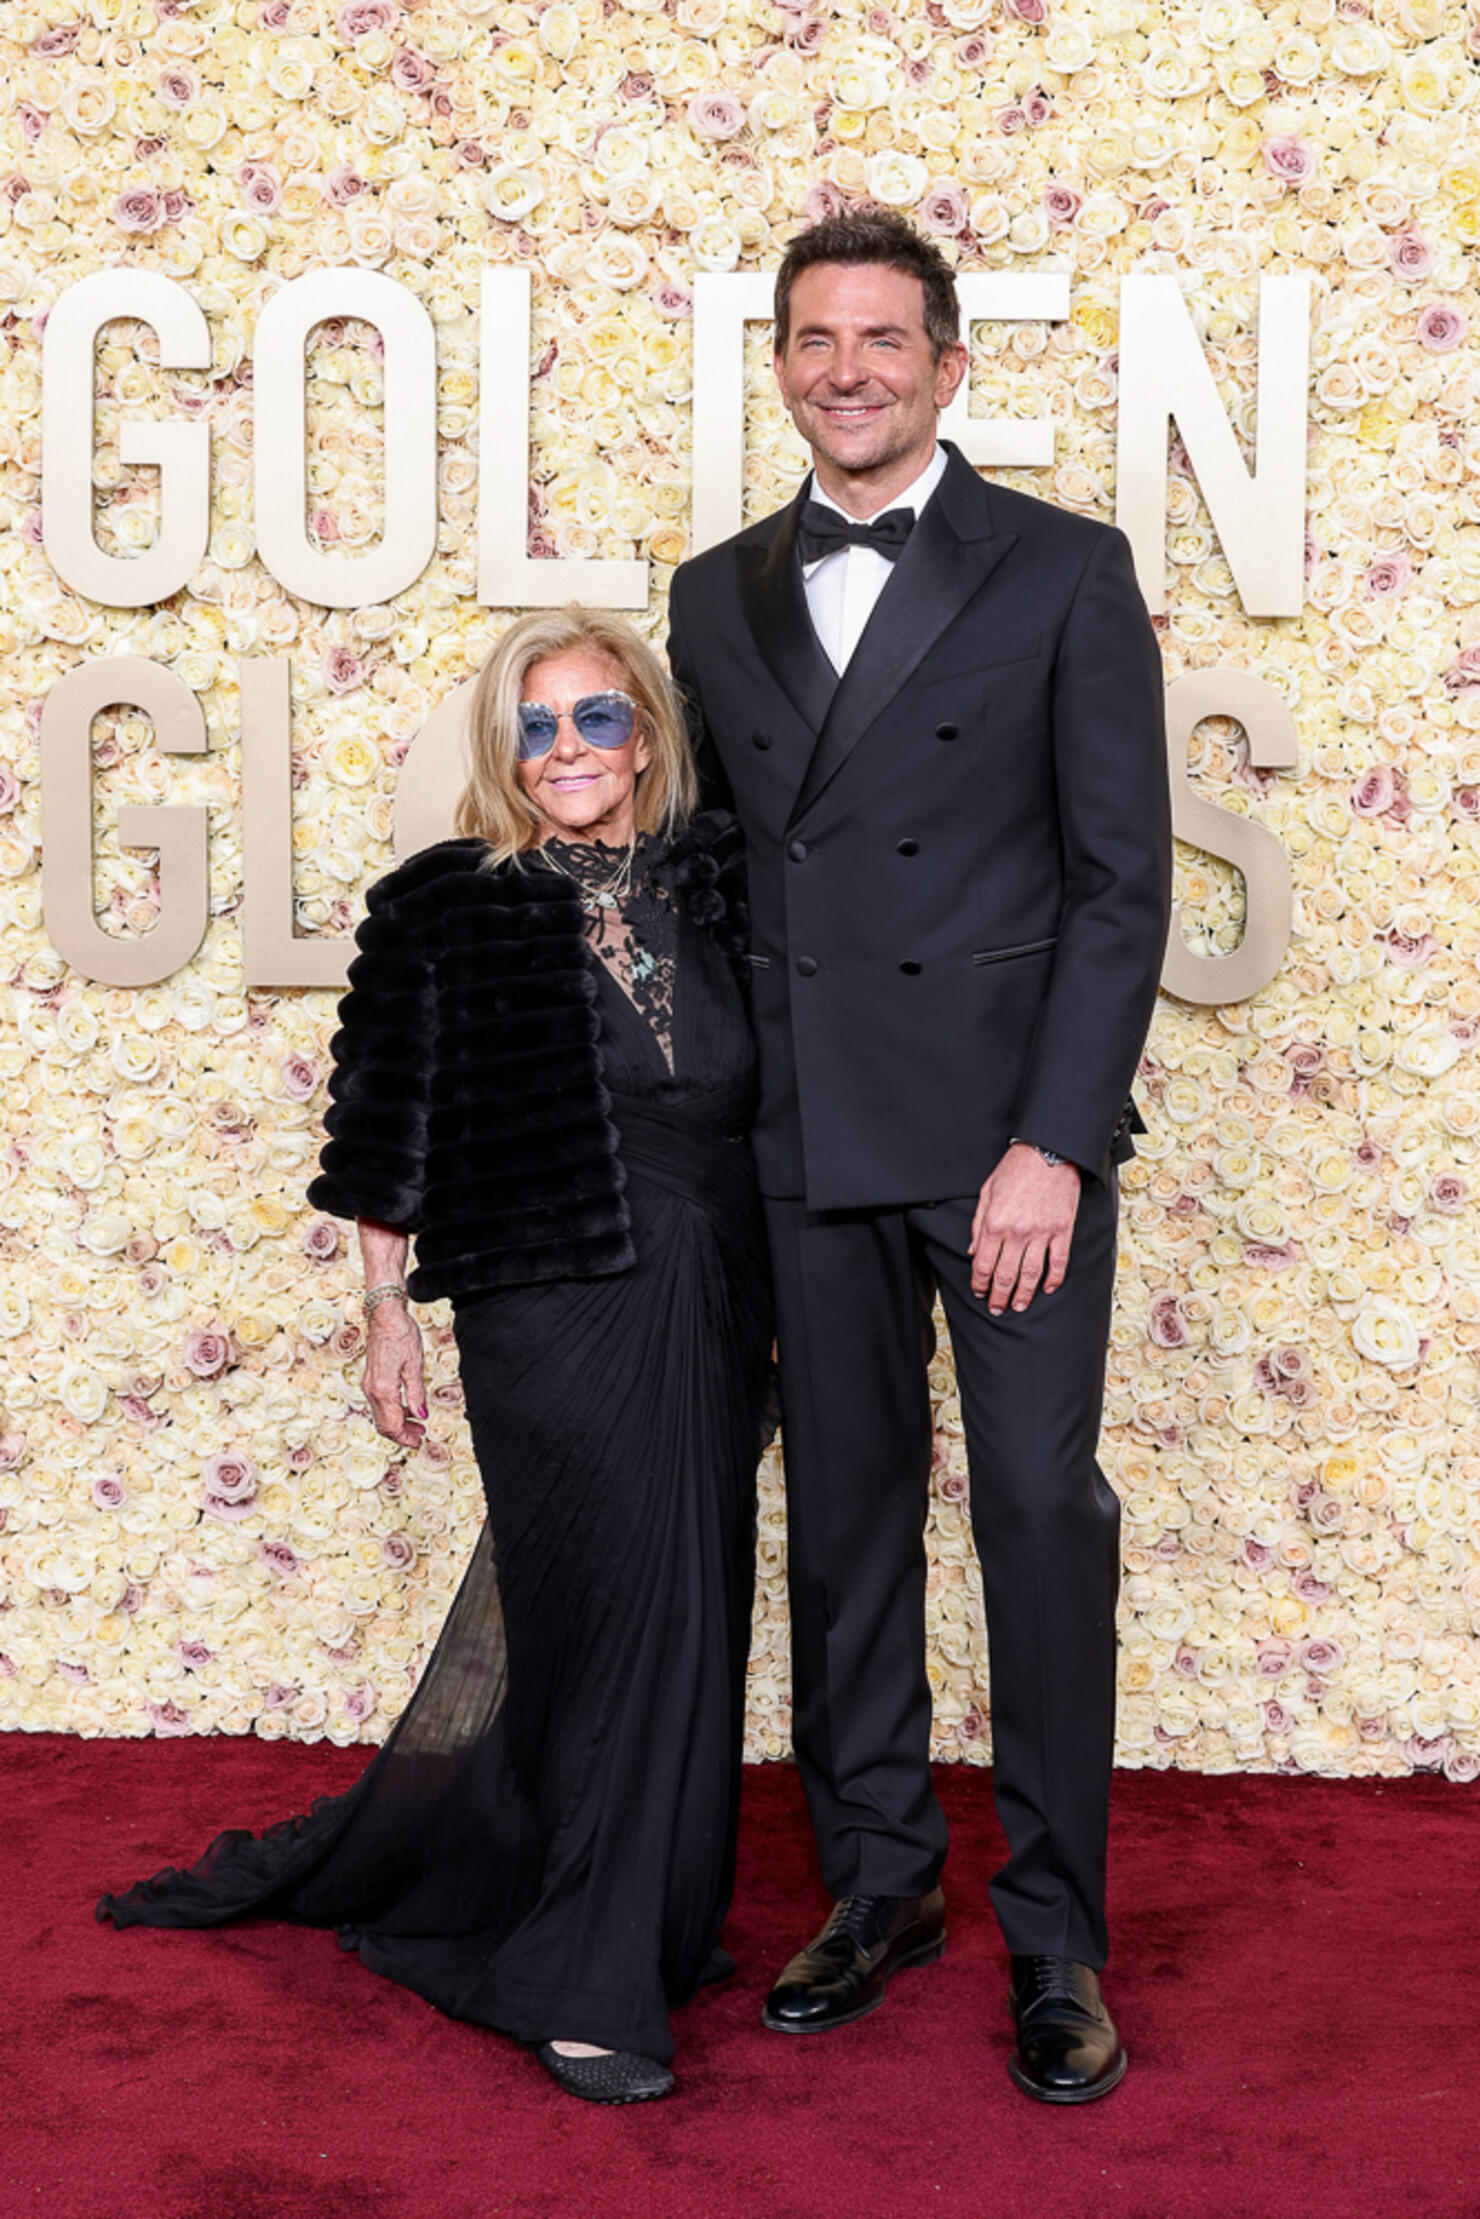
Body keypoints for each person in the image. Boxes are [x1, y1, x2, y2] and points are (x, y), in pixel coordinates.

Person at [97, 608, 773, 2107]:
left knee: (695, 1611)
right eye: (536, 728)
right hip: (547, 1309)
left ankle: (636, 1919)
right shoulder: (446, 906)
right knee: (605, 1613)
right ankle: (585, 1979)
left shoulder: (721, 887)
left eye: (596, 719)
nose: (568, 752)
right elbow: (384, 1127)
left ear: (646, 735)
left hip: (718, 1299)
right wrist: (386, 1310)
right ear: (505, 753)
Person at [666, 207, 1172, 2105]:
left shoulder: (1063, 570)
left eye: (885, 339)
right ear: (783, 366)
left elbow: (1120, 887)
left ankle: (1059, 1942)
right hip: (807, 1137)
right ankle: (881, 1884)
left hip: (1004, 1142)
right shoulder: (711, 594)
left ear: (950, 367)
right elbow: (708, 880)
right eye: (816, 339)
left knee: (1041, 1515)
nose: (849, 369)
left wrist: (1053, 1141)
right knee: (849, 1525)